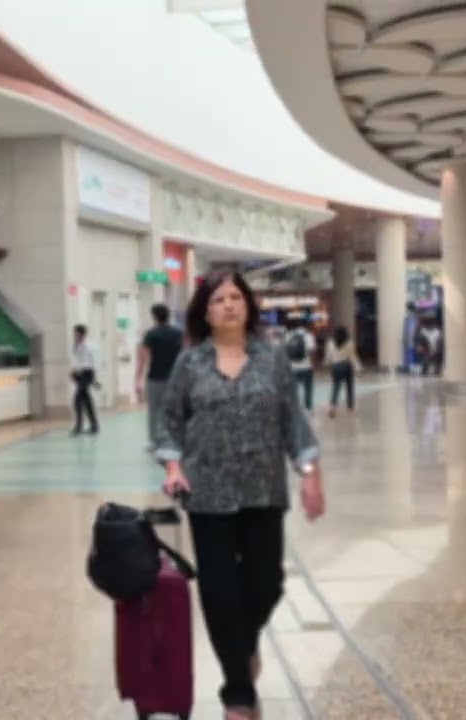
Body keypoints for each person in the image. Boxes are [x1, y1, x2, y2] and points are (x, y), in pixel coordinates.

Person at [155, 270, 325, 720]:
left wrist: (310, 473)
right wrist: (172, 465)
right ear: (205, 313)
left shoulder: (272, 361)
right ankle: (237, 691)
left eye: (236, 297)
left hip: (263, 490)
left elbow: (294, 423)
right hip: (206, 492)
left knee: (266, 583)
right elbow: (169, 423)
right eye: (219, 300)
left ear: (247, 306)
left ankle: (242, 645)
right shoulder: (188, 365)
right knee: (218, 590)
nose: (229, 305)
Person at [135, 303, 184, 448]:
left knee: (154, 410)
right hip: (175, 378)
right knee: (175, 410)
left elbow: (142, 358)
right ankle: (175, 438)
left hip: (155, 377)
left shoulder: (151, 334)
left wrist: (137, 379)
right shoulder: (178, 334)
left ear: (154, 317)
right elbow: (185, 355)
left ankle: (153, 440)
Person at [326, 325, 362, 417]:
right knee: (349, 387)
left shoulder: (330, 342)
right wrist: (358, 368)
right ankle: (350, 408)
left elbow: (328, 357)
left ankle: (332, 407)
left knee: (336, 387)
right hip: (346, 366)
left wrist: (327, 363)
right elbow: (352, 357)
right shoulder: (349, 343)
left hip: (335, 366)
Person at [71, 324, 100, 435]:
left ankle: (79, 426)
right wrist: (74, 370)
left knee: (77, 399)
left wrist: (96, 379)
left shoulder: (90, 346)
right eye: (74, 334)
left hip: (88, 374)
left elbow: (94, 363)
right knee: (86, 400)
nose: (75, 336)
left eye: (77, 334)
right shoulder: (76, 346)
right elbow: (78, 360)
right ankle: (94, 425)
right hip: (79, 374)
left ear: (82, 334)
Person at [283, 319, 317, 411]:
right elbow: (311, 351)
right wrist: (313, 364)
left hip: (292, 367)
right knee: (308, 388)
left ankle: (294, 408)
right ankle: (308, 407)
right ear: (305, 326)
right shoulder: (308, 336)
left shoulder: (288, 336)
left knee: (293, 389)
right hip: (306, 366)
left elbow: (284, 352)